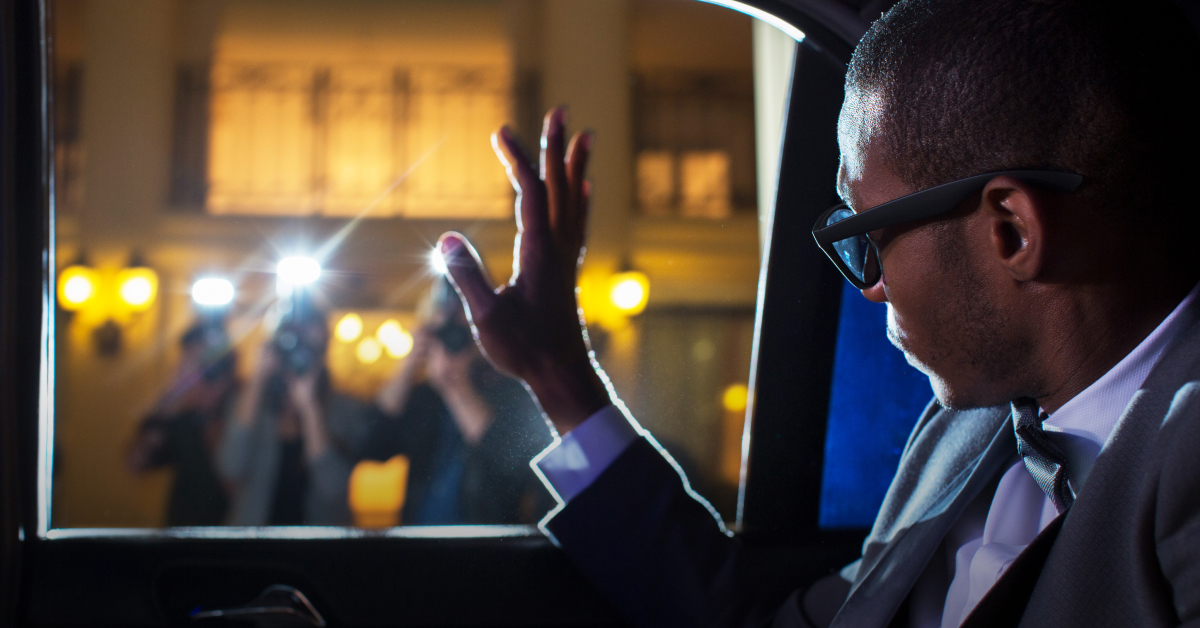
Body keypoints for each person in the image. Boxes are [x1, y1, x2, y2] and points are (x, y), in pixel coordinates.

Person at [434, 0, 1200, 626]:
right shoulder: (967, 430)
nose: (869, 285)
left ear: (1011, 230)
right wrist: (560, 375)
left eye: (867, 233)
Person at [362, 279, 553, 525]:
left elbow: (510, 465)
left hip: (486, 543)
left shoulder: (512, 388)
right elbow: (373, 450)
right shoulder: (425, 396)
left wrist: (454, 384)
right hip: (420, 543)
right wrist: (407, 367)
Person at [217, 299, 373, 526]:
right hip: (253, 548)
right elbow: (230, 466)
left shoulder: (346, 409)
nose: (299, 356)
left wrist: (310, 408)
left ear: (325, 349)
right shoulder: (252, 404)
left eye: (310, 348)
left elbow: (334, 489)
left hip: (317, 551)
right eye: (292, 343)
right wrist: (257, 380)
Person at [126, 323, 236, 526]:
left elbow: (234, 483)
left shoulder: (241, 408)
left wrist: (213, 401)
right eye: (189, 362)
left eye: (204, 363)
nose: (197, 373)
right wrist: (170, 398)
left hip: (230, 537)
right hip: (180, 534)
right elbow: (136, 463)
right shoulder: (179, 416)